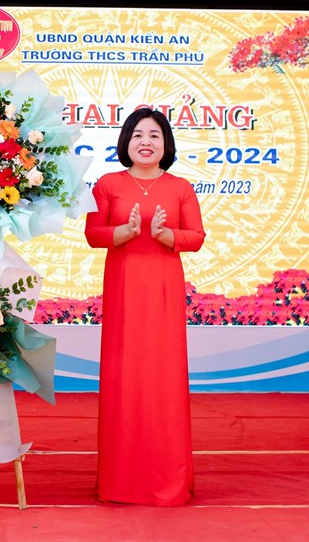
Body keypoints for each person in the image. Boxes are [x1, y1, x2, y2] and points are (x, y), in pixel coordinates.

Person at [84, 107, 206, 506]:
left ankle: (167, 478)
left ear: (166, 143)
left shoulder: (181, 187)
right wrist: (126, 231)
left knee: (163, 376)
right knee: (124, 375)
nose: (146, 142)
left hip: (163, 289)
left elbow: (196, 236)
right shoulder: (108, 184)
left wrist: (165, 235)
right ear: (126, 142)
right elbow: (93, 233)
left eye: (154, 135)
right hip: (123, 289)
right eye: (138, 135)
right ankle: (121, 480)